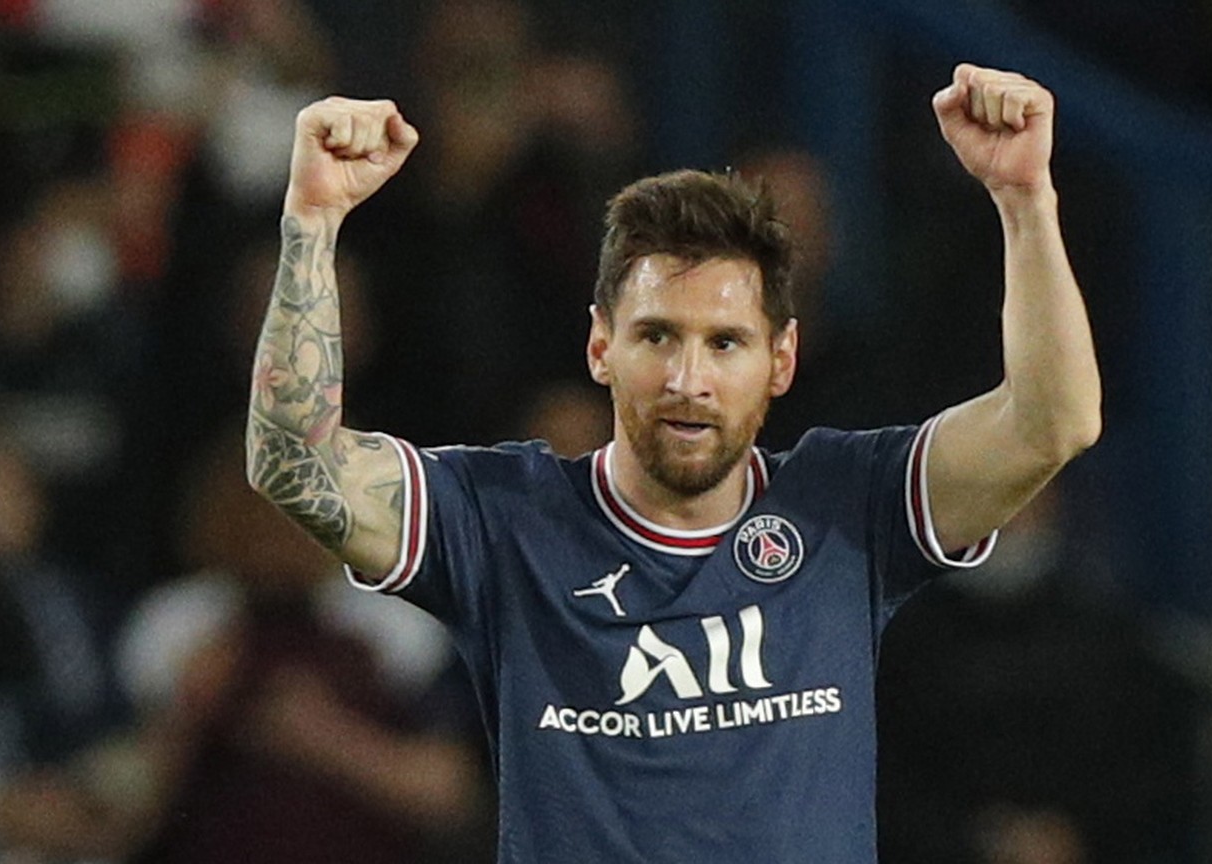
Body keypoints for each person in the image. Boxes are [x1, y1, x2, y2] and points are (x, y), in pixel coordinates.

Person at [245, 62, 1102, 862]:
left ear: (781, 360)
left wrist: (1025, 199)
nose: (689, 379)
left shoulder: (848, 506)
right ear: (600, 346)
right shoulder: (501, 519)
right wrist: (312, 226)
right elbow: (293, 464)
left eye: (725, 342)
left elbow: (1053, 422)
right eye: (658, 336)